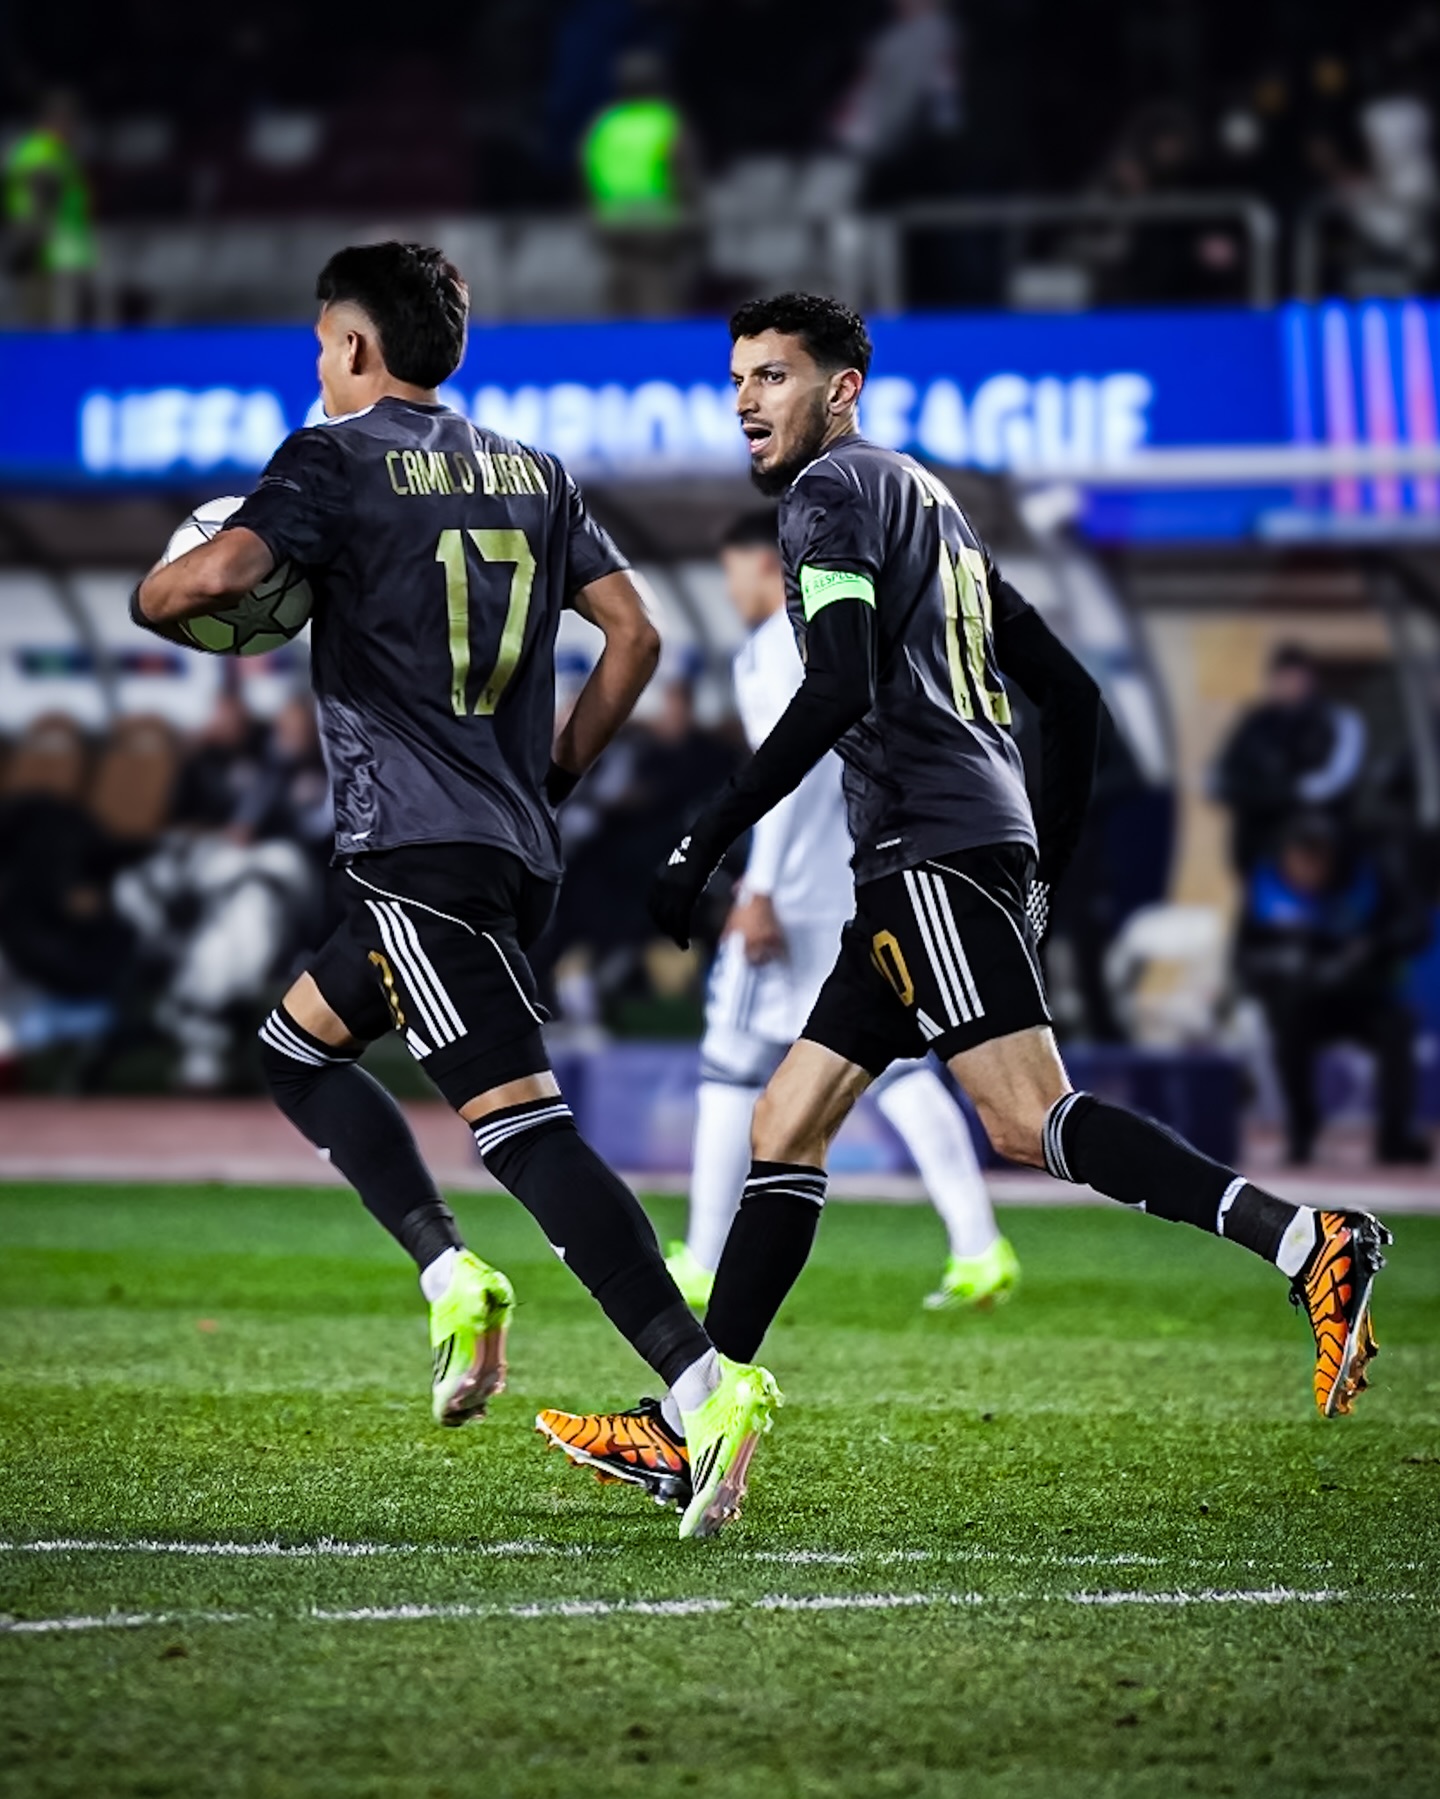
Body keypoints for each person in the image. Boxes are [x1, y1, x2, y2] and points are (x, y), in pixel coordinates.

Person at [538, 292, 1392, 1535]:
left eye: (774, 376)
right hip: (945, 852)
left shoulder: (828, 494)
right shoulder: (927, 502)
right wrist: (1041, 874)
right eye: (738, 379)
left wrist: (702, 835)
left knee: (1023, 1117)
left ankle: (1308, 1239)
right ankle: (690, 1417)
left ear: (842, 388)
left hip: (924, 848)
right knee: (786, 1121)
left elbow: (839, 685)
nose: (747, 401)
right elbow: (1074, 697)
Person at [132, 240, 774, 1541]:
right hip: (504, 848)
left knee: (523, 1128)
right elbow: (637, 634)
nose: (321, 365)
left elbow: (215, 578)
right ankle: (451, 1274)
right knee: (294, 1048)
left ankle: (705, 1384)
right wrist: (554, 774)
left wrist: (156, 593)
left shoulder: (331, 458)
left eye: (322, 344)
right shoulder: (534, 468)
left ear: (355, 346)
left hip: (415, 853)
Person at [659, 508, 1017, 1314]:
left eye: (732, 569)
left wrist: (758, 888)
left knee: (729, 1058)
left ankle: (705, 1257)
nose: (729, 587)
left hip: (792, 898)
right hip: (858, 878)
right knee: (896, 1066)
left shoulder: (774, 647)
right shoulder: (844, 635)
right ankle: (979, 1243)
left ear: (762, 562)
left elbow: (788, 774)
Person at [1239, 814, 1432, 1167]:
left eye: (1319, 856)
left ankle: (1394, 1139)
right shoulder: (1266, 889)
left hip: (1363, 997)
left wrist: (1373, 947)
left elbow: (1415, 929)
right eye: (1301, 856)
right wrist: (1284, 964)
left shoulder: (1368, 881)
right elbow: (1243, 959)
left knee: (1398, 1026)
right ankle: (1301, 1133)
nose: (1309, 867)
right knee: (1289, 1028)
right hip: (1304, 1001)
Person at [1212, 644, 1368, 876]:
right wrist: (1237, 788)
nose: (1288, 685)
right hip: (1256, 839)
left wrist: (1286, 790)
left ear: (1310, 680)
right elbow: (1224, 770)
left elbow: (1333, 780)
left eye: (1295, 678)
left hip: (1311, 837)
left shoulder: (1336, 719)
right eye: (1282, 678)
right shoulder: (1255, 722)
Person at [2, 91, 97, 327]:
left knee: (49, 325)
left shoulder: (56, 150)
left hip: (57, 252)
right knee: (45, 326)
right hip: (45, 253)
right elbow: (40, 191)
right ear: (51, 120)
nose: (72, 126)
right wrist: (30, 240)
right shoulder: (41, 150)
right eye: (67, 120)